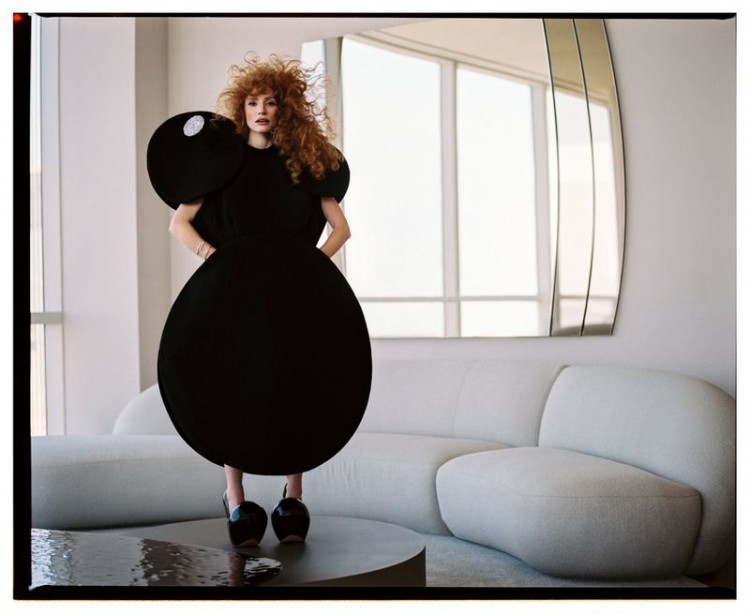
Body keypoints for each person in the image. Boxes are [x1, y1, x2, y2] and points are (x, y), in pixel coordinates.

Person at [166, 54, 353, 547]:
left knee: (294, 386)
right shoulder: (221, 165)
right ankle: (235, 498)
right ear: (241, 109)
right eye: (253, 103)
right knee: (235, 391)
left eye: (271, 102)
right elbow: (178, 223)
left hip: (291, 299)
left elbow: (341, 230)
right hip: (234, 300)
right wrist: (216, 259)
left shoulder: (304, 164)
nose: (262, 111)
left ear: (284, 108)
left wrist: (309, 266)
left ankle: (293, 496)